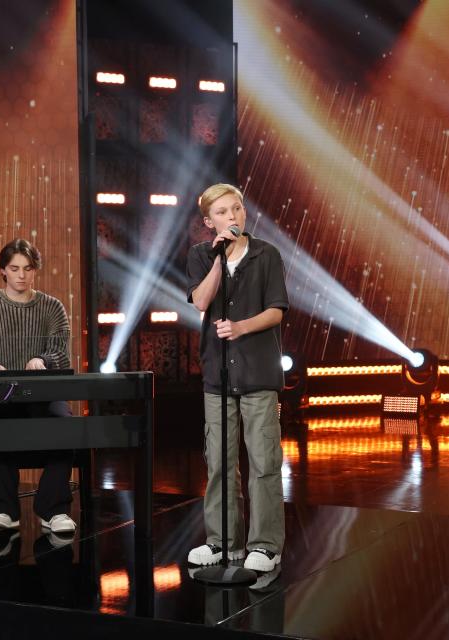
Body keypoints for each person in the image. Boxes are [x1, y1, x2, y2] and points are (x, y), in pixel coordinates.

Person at [185, 183, 289, 573]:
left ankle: (264, 545)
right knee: (220, 462)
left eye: (238, 209)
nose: (233, 217)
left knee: (263, 461)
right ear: (209, 221)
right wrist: (218, 259)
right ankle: (221, 542)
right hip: (218, 374)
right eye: (224, 212)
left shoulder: (266, 255)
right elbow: (200, 300)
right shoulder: (200, 255)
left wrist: (242, 327)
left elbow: (277, 310)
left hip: (259, 372)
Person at [0, 238, 76, 534]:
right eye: (14, 269)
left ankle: (53, 509)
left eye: (28, 269)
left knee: (65, 425)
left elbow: (61, 353)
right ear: (3, 270)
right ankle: (3, 510)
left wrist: (42, 360)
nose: (22, 275)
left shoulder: (52, 307)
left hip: (43, 393)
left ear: (35, 270)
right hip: (1, 395)